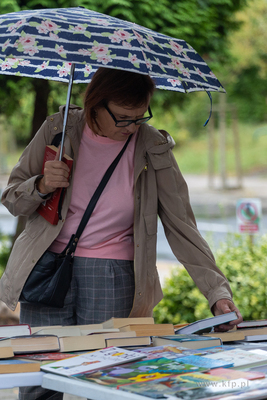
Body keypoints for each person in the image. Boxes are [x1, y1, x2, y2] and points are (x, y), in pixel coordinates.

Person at [0, 68, 242, 400]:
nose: (131, 127)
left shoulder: (153, 147)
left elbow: (182, 226)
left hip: (112, 275)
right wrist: (42, 185)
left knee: (108, 383)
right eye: (123, 118)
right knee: (39, 379)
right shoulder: (58, 130)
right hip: (46, 268)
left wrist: (217, 293)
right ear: (95, 103)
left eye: (140, 117)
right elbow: (13, 198)